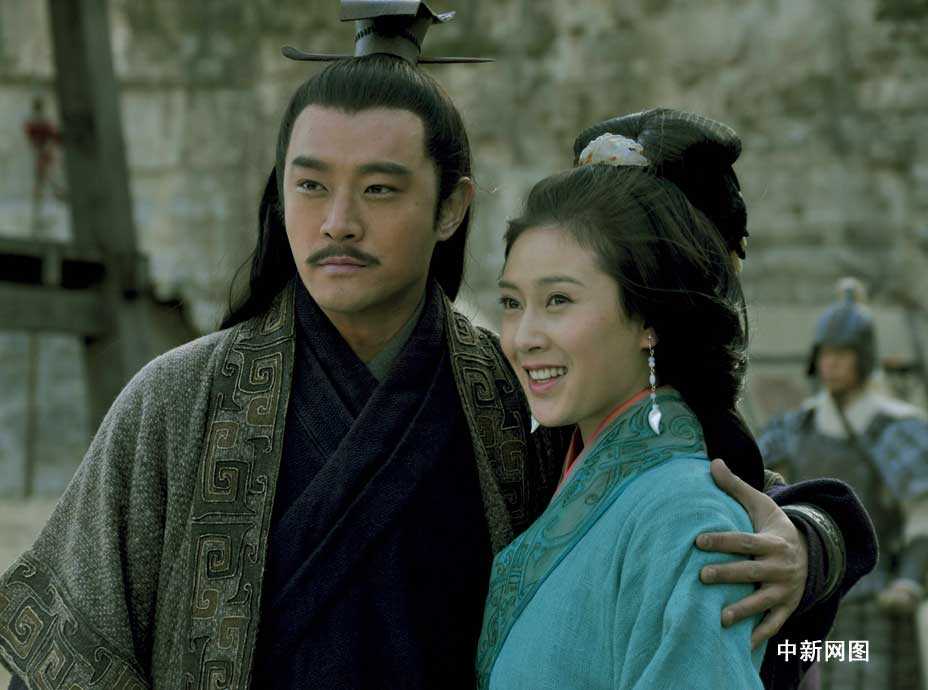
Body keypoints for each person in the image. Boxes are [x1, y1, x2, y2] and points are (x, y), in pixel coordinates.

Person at [0, 4, 872, 689]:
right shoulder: (177, 402)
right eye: (310, 187)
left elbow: (690, 485)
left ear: (452, 206)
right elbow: (69, 640)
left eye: (380, 189)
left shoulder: (512, 393)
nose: (338, 223)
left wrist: (809, 543)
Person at [476, 108, 875, 689]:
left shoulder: (688, 519)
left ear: (650, 318)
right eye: (512, 303)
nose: (523, 337)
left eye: (559, 300)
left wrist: (813, 539)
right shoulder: (557, 458)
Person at [760, 278, 928, 690]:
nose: (830, 365)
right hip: (807, 595)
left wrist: (909, 580)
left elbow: (921, 515)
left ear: (863, 357)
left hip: (874, 600)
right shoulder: (798, 428)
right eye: (826, 354)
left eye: (842, 354)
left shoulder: (895, 427)